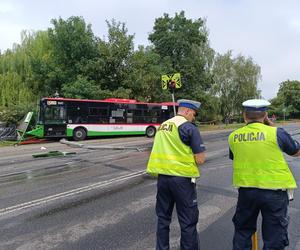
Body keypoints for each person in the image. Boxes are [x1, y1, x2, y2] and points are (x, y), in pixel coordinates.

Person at [228, 99, 300, 250]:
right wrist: (273, 126)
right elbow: (296, 152)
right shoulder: (276, 133)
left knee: (242, 232)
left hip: (246, 191)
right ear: (266, 115)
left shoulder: (234, 136)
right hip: (274, 193)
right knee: (274, 236)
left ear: (244, 116)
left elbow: (236, 156)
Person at [147, 99, 206, 250]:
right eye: (193, 114)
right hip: (182, 181)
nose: (194, 117)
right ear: (187, 111)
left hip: (163, 179)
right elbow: (200, 160)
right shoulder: (189, 128)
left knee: (163, 219)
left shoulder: (163, 126)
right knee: (188, 221)